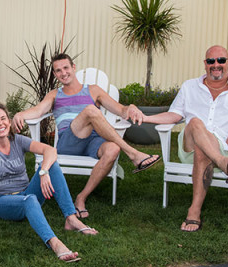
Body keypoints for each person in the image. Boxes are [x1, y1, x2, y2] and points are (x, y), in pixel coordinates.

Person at [11, 53, 160, 218]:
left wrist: (131, 107)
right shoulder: (54, 94)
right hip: (68, 142)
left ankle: (81, 198)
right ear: (55, 74)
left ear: (73, 68)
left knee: (112, 149)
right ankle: (133, 154)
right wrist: (20, 114)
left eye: (66, 68)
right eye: (58, 70)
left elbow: (120, 110)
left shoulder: (93, 90)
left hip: (93, 141)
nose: (63, 73)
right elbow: (38, 110)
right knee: (90, 110)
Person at [147, 45, 228, 232]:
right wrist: (145, 118)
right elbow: (174, 115)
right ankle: (223, 163)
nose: (216, 65)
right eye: (211, 61)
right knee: (194, 122)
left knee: (203, 149)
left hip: (225, 147)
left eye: (221, 60)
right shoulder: (189, 87)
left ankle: (194, 211)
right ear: (205, 64)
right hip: (190, 149)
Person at [0, 103, 97, 262]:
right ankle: (54, 243)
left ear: (9, 121)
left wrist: (44, 171)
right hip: (1, 201)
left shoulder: (18, 140)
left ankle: (71, 218)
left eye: (3, 119)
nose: (0, 124)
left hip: (26, 193)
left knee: (51, 165)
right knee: (30, 200)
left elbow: (50, 150)